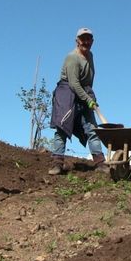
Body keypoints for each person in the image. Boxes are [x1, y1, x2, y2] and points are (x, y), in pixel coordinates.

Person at [48, 27, 106, 175]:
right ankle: (57, 163)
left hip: (83, 92)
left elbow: (87, 80)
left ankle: (100, 163)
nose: (85, 42)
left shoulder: (90, 55)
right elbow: (73, 84)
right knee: (62, 127)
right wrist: (87, 99)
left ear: (92, 41)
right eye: (83, 39)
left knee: (92, 129)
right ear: (77, 41)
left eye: (88, 39)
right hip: (67, 92)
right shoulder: (72, 58)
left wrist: (90, 97)